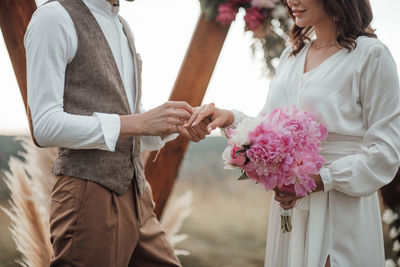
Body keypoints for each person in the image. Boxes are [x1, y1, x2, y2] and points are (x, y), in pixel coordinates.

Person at [186, 0, 400, 266]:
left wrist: (318, 179)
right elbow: (269, 125)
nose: (292, 1)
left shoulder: (371, 55)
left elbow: (386, 151)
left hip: (342, 205)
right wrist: (229, 119)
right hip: (291, 208)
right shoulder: (292, 55)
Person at [24, 0, 207, 266]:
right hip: (87, 197)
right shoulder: (53, 18)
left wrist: (175, 124)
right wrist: (138, 123)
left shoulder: (122, 27)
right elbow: (44, 126)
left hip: (138, 196)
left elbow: (130, 116)